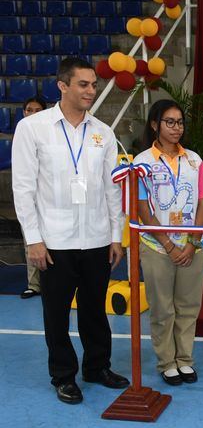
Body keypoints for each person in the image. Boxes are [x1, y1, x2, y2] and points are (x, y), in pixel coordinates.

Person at [12, 57, 129, 405]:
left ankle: (97, 366)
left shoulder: (102, 132)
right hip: (54, 240)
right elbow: (23, 187)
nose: (91, 91)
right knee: (57, 312)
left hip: (95, 238)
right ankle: (63, 375)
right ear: (62, 86)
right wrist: (33, 239)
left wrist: (114, 236)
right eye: (84, 85)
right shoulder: (34, 128)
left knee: (94, 308)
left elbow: (112, 189)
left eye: (93, 84)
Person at [135, 100, 203, 386]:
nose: (176, 127)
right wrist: (169, 245)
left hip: (193, 245)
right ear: (155, 124)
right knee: (162, 307)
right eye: (170, 122)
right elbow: (143, 208)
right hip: (158, 246)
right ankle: (167, 361)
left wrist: (193, 242)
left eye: (180, 122)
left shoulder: (194, 160)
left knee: (188, 306)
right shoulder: (142, 162)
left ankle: (185, 359)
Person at [18, 96, 47, 299]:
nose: (32, 114)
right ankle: (34, 284)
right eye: (29, 110)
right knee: (31, 239)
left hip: (50, 200)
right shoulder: (22, 133)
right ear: (23, 113)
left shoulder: (53, 135)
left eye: (38, 110)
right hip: (30, 197)